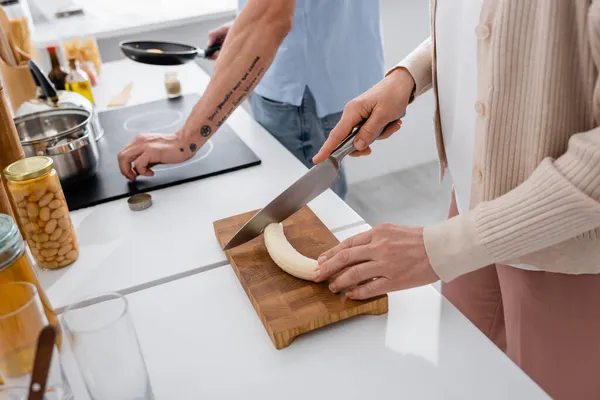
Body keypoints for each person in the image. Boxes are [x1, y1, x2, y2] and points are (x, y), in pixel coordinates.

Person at [311, 1, 600, 399]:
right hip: (469, 209)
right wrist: (408, 77)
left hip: (562, 251)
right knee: (467, 382)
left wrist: (438, 249)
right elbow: (487, 22)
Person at [118, 0, 385, 200]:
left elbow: (270, 19)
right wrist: (245, 29)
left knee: (313, 214)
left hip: (299, 89)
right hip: (336, 65)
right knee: (325, 192)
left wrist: (183, 141)